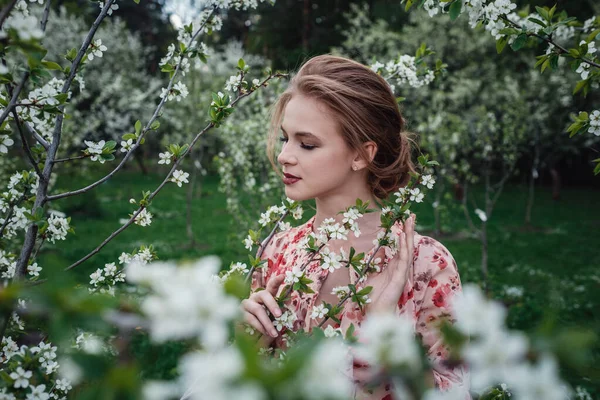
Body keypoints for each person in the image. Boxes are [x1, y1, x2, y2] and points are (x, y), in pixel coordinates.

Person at [241, 54, 469, 399]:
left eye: (307, 144)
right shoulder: (277, 251)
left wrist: (383, 333)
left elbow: (454, 392)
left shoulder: (425, 265)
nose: (285, 155)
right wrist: (251, 343)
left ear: (362, 154)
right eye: (285, 138)